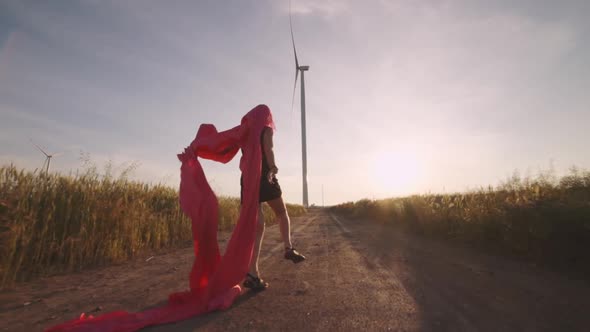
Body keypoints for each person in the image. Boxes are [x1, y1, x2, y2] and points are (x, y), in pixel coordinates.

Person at [240, 120, 306, 291]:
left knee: (258, 227)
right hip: (263, 174)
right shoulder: (265, 128)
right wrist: (273, 168)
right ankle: (288, 247)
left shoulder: (245, 131)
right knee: (282, 212)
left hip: (247, 178)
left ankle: (252, 274)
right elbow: (268, 148)